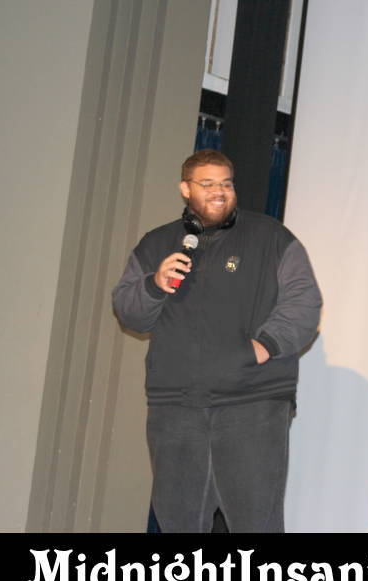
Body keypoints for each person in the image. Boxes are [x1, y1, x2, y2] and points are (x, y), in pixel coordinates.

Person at [112, 149, 321, 533]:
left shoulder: (270, 237)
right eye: (207, 184)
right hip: (176, 406)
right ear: (185, 189)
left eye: (226, 183)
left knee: (255, 523)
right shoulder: (156, 244)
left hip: (252, 402)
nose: (219, 191)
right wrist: (154, 284)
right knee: (177, 521)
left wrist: (262, 347)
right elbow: (130, 313)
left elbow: (304, 302)